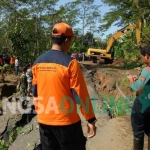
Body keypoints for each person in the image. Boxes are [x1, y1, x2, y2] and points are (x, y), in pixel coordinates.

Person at [32, 22, 97, 150]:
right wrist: (90, 119)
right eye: (71, 40)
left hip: (44, 122)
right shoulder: (70, 63)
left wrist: (43, 114)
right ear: (66, 40)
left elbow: (35, 93)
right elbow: (80, 94)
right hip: (67, 123)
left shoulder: (37, 63)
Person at [127, 45, 150, 150]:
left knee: (138, 132)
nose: (142, 58)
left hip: (143, 104)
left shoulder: (147, 69)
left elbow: (137, 88)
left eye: (142, 57)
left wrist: (132, 80)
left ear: (147, 55)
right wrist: (140, 78)